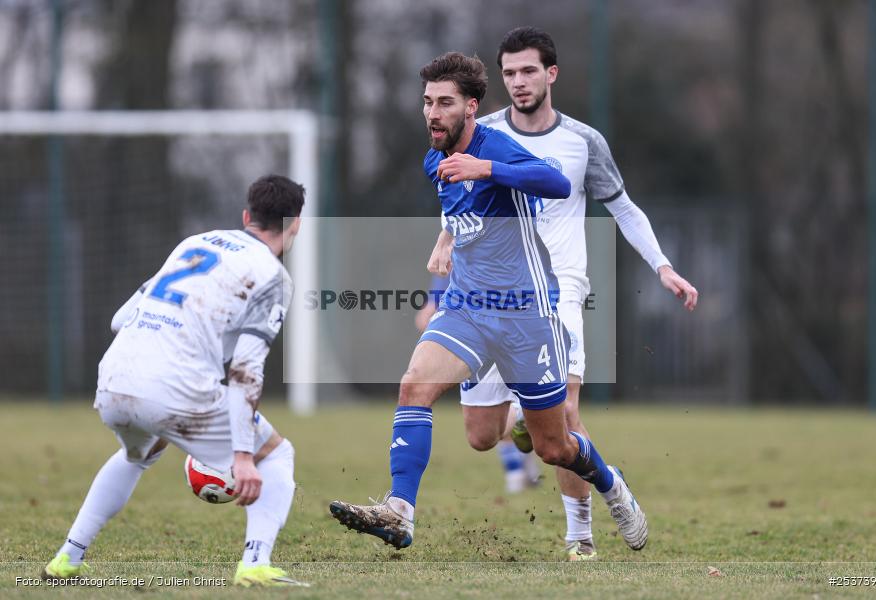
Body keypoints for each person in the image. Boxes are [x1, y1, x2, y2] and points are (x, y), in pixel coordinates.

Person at [330, 51, 641, 552]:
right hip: (469, 307)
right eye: (427, 102)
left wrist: (488, 168)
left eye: (445, 103)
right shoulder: (436, 159)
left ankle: (611, 483)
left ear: (471, 107)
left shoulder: (499, 148)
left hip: (527, 314)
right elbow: (460, 222)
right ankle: (400, 510)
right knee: (427, 396)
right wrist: (443, 253)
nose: (432, 113)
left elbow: (557, 183)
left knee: (554, 446)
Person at [457, 27, 700, 561]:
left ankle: (581, 535)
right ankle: (535, 426)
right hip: (492, 295)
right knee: (481, 434)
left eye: (528, 71)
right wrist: (442, 255)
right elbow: (460, 205)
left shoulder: (583, 142)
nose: (518, 82)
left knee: (564, 416)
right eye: (509, 72)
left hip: (559, 292)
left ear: (551, 74)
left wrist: (662, 265)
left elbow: (624, 208)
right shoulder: (482, 132)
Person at [42, 175, 307, 587]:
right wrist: (241, 455)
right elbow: (246, 371)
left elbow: (119, 319)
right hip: (174, 389)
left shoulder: (195, 243)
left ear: (246, 216)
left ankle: (67, 558)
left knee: (139, 452)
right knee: (275, 455)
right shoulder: (273, 276)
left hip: (114, 379)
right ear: (296, 225)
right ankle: (255, 565)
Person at [414, 273, 542, 494]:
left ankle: (518, 475)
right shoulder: (455, 244)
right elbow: (451, 260)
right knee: (489, 423)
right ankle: (522, 469)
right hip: (477, 324)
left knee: (519, 404)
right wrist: (434, 304)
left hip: (520, 317)